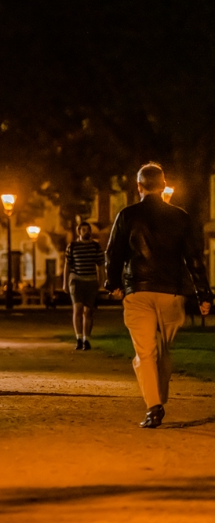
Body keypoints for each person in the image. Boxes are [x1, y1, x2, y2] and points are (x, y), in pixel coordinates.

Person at [105, 163, 212, 428]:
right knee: (164, 349)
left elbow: (114, 252)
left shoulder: (127, 215)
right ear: (164, 186)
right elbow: (194, 258)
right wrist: (203, 294)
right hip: (172, 292)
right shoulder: (181, 217)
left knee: (145, 352)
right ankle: (158, 396)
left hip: (138, 290)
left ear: (139, 187)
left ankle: (154, 406)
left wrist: (113, 283)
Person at [62, 222, 105, 351]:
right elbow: (67, 265)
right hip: (76, 280)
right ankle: (79, 338)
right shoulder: (73, 246)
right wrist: (65, 282)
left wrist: (102, 282)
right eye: (83, 229)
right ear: (79, 231)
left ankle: (87, 339)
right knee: (78, 308)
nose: (86, 232)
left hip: (91, 281)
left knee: (88, 311)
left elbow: (101, 265)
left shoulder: (96, 247)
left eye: (88, 230)